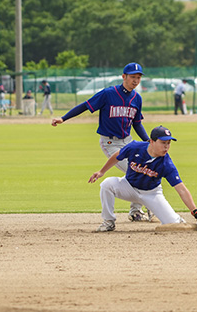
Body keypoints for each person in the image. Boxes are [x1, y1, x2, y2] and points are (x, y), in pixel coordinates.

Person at [52, 62, 151, 221]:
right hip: (110, 143)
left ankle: (136, 210)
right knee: (133, 170)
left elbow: (137, 123)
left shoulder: (136, 98)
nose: (135, 80)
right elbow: (86, 105)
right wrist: (63, 118)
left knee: (143, 168)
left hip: (128, 141)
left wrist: (148, 141)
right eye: (132, 77)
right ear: (123, 77)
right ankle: (136, 211)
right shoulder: (108, 94)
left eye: (138, 77)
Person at [88, 126, 197, 232]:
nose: (166, 147)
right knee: (107, 184)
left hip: (151, 194)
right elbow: (117, 155)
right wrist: (101, 171)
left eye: (168, 143)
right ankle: (109, 222)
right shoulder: (135, 147)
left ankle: (177, 219)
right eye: (163, 143)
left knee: (174, 224)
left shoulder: (166, 164)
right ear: (152, 141)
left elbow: (181, 189)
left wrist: (195, 212)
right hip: (128, 187)